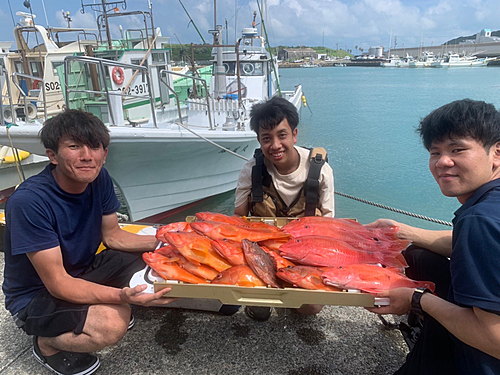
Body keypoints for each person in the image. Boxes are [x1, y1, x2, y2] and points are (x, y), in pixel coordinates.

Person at [2, 109, 177, 375]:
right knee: (113, 323)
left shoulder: (99, 178)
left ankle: (96, 306)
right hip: (37, 296)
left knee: (157, 257)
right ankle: (46, 342)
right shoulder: (29, 202)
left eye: (95, 147)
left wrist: (169, 241)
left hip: (81, 270)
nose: (87, 156)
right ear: (52, 155)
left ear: (104, 154)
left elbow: (113, 236)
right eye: (74, 146)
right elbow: (59, 283)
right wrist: (120, 297)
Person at [365, 99, 500, 374]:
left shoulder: (480, 220)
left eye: (457, 149)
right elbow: (469, 245)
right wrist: (399, 230)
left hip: (485, 358)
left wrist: (417, 299)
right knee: (416, 255)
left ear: (496, 153)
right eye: (435, 152)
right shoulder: (490, 205)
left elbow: (494, 340)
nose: (443, 162)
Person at [234, 96, 335, 321]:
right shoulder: (251, 170)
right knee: (258, 310)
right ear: (259, 140)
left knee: (310, 307)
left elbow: (329, 225)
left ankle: (292, 298)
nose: (275, 146)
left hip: (304, 251)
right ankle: (262, 298)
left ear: (295, 134)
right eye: (266, 138)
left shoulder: (320, 170)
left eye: (282, 135)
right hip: (261, 249)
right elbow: (238, 218)